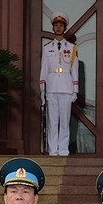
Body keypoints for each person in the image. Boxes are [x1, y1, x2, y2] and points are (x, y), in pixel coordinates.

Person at [39, 12, 79, 156]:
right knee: (52, 121)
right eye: (56, 25)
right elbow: (44, 69)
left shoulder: (72, 48)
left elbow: (74, 70)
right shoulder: (47, 48)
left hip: (66, 87)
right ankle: (53, 150)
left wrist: (75, 90)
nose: (58, 28)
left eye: (61, 25)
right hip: (51, 86)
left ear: (65, 28)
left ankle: (63, 149)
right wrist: (42, 90)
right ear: (53, 27)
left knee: (64, 121)